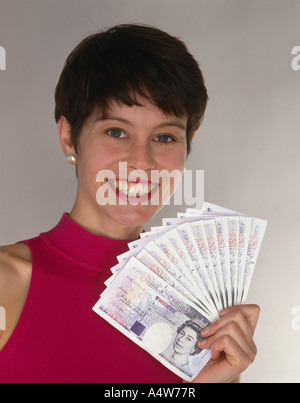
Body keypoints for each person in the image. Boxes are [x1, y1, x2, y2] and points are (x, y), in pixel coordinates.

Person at [0, 24, 259, 383]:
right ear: (68, 138)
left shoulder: (202, 319)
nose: (142, 162)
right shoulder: (6, 282)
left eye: (165, 137)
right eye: (116, 132)